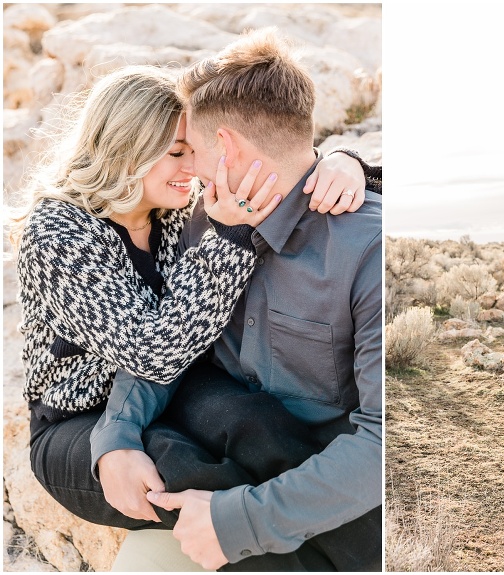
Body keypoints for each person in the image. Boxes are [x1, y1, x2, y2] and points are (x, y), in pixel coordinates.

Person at [7, 63, 377, 549]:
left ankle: (364, 540)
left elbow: (274, 146)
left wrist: (347, 161)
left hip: (168, 388)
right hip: (76, 416)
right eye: (177, 153)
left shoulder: (176, 206)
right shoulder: (59, 233)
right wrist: (231, 239)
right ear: (127, 149)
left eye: (193, 152)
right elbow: (152, 352)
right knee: (190, 472)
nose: (193, 170)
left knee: (260, 426)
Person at [95, 28, 382, 571]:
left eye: (193, 151)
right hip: (215, 451)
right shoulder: (207, 214)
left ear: (225, 146)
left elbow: (385, 444)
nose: (190, 171)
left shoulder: (366, 251)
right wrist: (117, 437)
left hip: (320, 493)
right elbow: (172, 337)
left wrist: (243, 520)